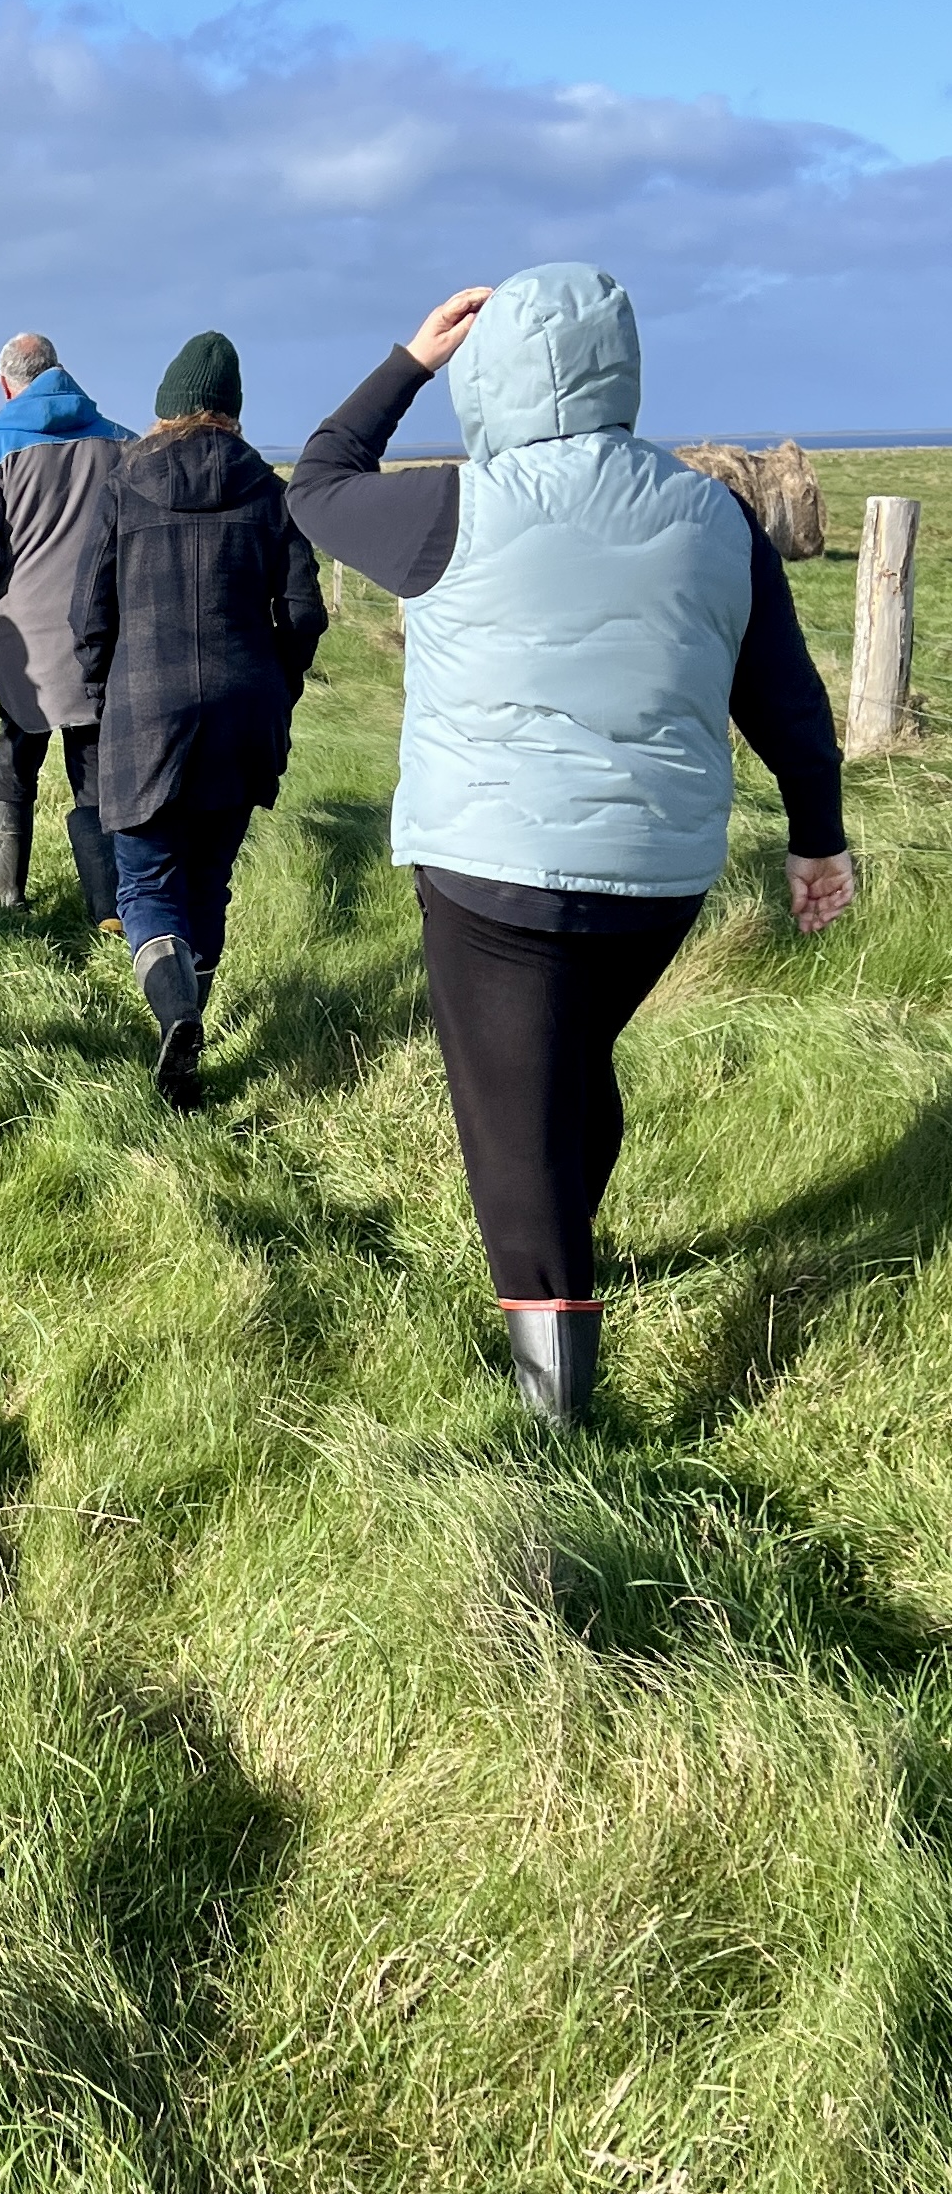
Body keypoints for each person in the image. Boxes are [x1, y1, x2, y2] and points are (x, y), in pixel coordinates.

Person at [288, 263, 856, 1424]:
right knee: (564, 1070)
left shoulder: (450, 506)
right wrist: (817, 839)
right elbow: (787, 697)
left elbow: (317, 481)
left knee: (513, 1142)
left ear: (489, 376)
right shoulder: (718, 517)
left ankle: (559, 1438)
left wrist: (410, 359)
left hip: (489, 873)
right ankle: (570, 1258)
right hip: (661, 878)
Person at [71, 328, 327, 1112]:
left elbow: (90, 614)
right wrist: (277, 684)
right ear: (234, 411)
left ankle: (176, 1015)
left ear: (166, 409)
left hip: (144, 708)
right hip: (244, 713)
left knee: (146, 878)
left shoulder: (123, 482)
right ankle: (189, 1025)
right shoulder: (270, 490)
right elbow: (307, 612)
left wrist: (101, 691)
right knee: (209, 879)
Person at [0, 331, 132, 917]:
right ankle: (109, 909)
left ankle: (6, 893)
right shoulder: (122, 444)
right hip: (107, 637)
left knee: (16, 761)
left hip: (26, 638)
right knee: (96, 771)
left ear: (6, 383)